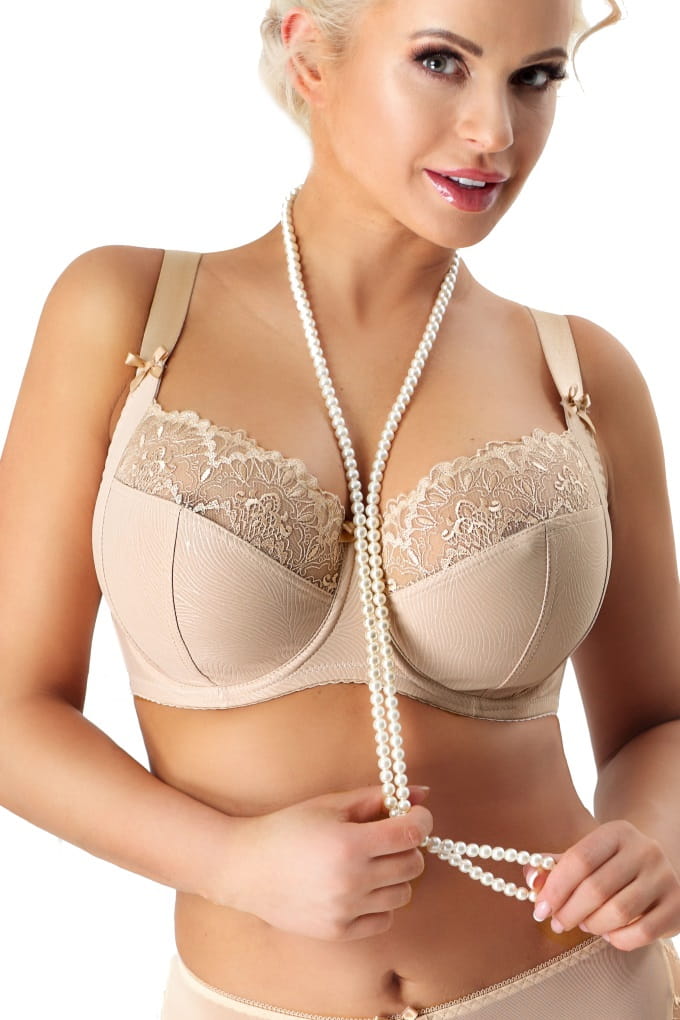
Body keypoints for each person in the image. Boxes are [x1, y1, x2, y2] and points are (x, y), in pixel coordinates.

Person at [1, 0, 679, 1017]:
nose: (494, 131)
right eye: (441, 62)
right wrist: (229, 862)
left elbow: (657, 723)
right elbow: (12, 712)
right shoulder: (127, 315)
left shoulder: (581, 372)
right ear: (309, 55)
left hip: (574, 988)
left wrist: (654, 842)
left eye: (534, 77)